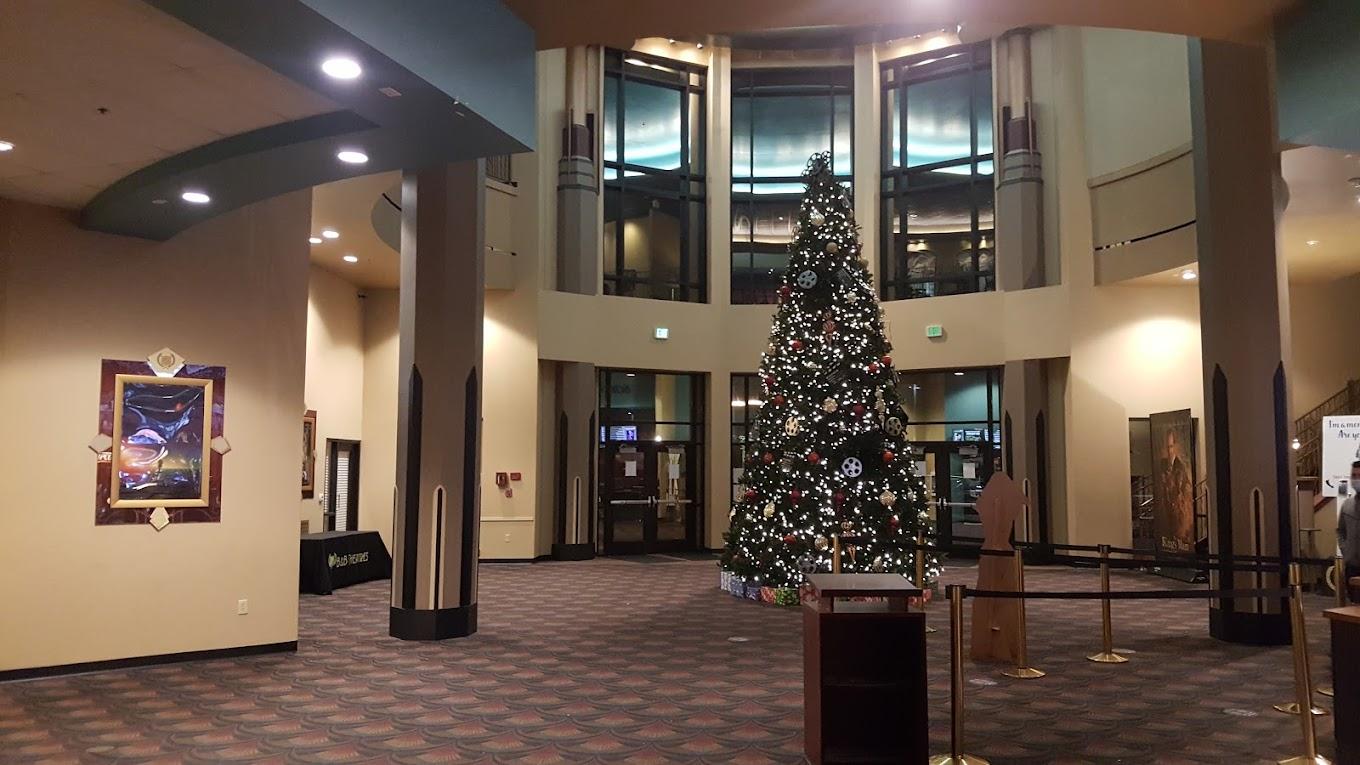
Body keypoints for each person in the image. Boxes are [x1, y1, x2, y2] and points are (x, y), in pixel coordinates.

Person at [1338, 460, 1360, 602]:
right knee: (1353, 608)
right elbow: (1341, 531)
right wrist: (1346, 550)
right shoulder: (1347, 505)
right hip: (1352, 567)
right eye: (1354, 475)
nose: (1356, 480)